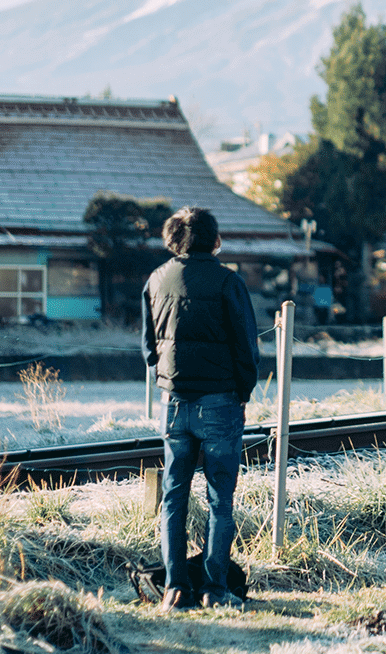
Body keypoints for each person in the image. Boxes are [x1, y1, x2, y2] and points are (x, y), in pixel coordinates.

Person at [141, 207, 259, 611]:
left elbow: (148, 347)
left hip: (173, 403)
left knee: (173, 497)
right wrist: (243, 392)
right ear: (215, 240)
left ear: (173, 239)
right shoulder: (229, 281)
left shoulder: (156, 279)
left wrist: (166, 380)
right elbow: (246, 346)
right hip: (221, 402)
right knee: (220, 499)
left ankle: (175, 590)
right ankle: (214, 590)